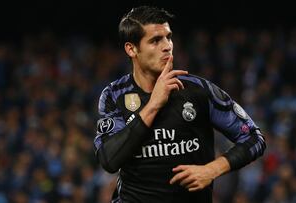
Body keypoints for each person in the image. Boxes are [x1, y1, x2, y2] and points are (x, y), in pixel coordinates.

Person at [93, 6, 266, 203]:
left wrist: (212, 169)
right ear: (131, 49)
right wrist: (154, 104)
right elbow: (109, 159)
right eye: (155, 40)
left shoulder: (199, 91)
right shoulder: (115, 95)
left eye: (168, 37)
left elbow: (254, 138)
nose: (167, 46)